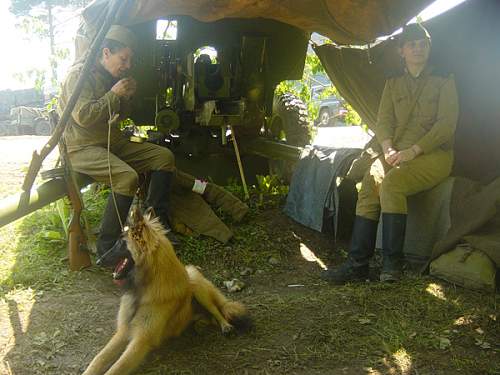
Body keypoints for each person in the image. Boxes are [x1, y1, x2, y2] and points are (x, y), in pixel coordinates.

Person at [321, 23, 459, 283]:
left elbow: (446, 125)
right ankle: (357, 264)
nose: (418, 49)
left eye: (423, 44)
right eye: (412, 44)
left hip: (434, 156)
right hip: (396, 153)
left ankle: (392, 266)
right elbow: (383, 121)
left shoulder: (444, 79)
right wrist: (388, 148)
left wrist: (413, 151)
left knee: (393, 184)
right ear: (401, 51)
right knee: (371, 181)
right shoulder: (393, 83)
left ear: (429, 48)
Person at [58, 25, 177, 266]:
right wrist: (114, 94)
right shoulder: (78, 76)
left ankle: (155, 228)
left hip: (110, 142)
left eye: (130, 59)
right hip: (81, 148)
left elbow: (121, 117)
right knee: (127, 178)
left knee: (164, 157)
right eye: (123, 58)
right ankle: (107, 248)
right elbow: (85, 117)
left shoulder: (109, 76)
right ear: (105, 53)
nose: (127, 65)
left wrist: (126, 97)